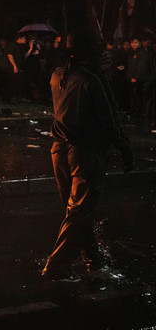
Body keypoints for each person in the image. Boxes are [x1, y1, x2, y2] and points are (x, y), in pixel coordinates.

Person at [41, 28, 134, 282]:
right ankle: (57, 265)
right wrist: (125, 150)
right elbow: (110, 120)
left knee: (76, 211)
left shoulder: (58, 75)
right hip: (85, 153)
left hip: (58, 150)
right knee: (80, 211)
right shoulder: (94, 79)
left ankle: (92, 258)